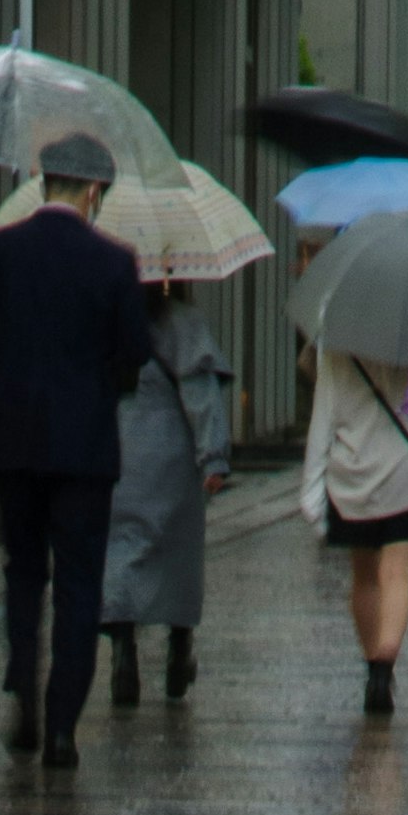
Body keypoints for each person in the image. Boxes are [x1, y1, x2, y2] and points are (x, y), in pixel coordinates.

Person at [0, 126, 157, 767]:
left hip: (12, 441)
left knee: (23, 569)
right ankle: (63, 722)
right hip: (85, 446)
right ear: (93, 191)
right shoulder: (115, 263)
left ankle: (22, 683)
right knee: (79, 580)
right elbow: (135, 356)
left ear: (43, 185)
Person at [105, 265, 233, 704]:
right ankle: (180, 651)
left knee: (123, 549)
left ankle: (124, 651)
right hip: (172, 454)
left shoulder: (104, 317)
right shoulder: (183, 321)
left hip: (117, 450)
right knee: (179, 556)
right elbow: (202, 394)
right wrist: (212, 457)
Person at [300, 317, 408, 717]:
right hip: (404, 472)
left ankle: (370, 661)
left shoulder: (335, 338)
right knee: (396, 574)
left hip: (351, 475)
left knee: (363, 576)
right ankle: (383, 667)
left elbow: (322, 416)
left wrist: (311, 489)